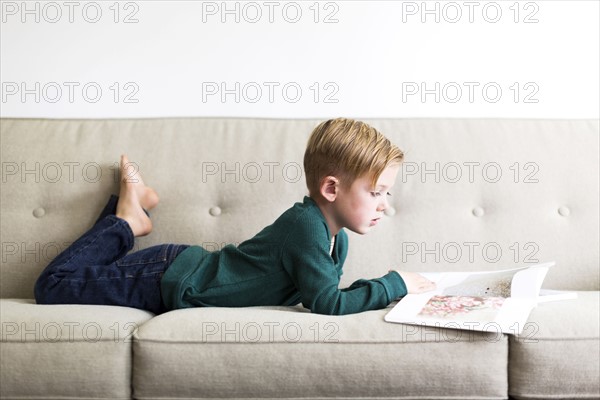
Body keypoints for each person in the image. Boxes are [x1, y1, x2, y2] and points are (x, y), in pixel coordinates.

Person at [34, 118, 436, 315]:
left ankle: (132, 211)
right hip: (166, 278)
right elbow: (327, 303)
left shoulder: (335, 237)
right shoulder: (306, 227)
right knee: (51, 286)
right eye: (376, 192)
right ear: (331, 189)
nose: (384, 203)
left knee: (69, 283)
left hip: (176, 272)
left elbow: (326, 292)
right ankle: (125, 220)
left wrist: (393, 290)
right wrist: (393, 283)